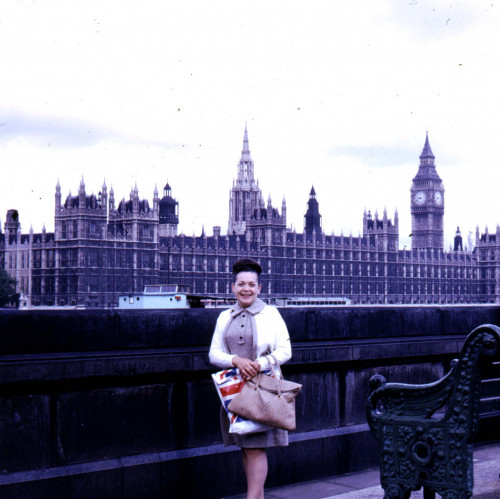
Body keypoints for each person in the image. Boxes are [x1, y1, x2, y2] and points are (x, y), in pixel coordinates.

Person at [209, 258, 292, 499]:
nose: (246, 289)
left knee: (255, 448)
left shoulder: (271, 314)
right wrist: (237, 360)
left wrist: (259, 363)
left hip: (262, 389)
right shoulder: (225, 316)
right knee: (246, 448)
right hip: (233, 391)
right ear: (232, 287)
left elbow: (285, 351)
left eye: (252, 284)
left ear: (259, 288)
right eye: (241, 284)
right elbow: (214, 354)